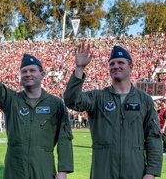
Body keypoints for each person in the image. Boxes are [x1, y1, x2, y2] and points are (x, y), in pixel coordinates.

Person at [0, 28, 73, 179]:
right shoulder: (11, 100)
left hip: (43, 166)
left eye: (32, 71)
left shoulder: (56, 104)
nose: (28, 74)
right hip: (15, 167)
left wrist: (63, 171)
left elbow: (65, 138)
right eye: (24, 72)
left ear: (42, 74)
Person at [63, 44, 163, 179]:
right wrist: (79, 68)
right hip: (103, 171)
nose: (116, 66)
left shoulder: (144, 100)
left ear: (131, 67)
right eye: (112, 63)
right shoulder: (97, 98)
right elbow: (71, 100)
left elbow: (153, 137)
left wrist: (151, 173)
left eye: (121, 62)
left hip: (135, 172)